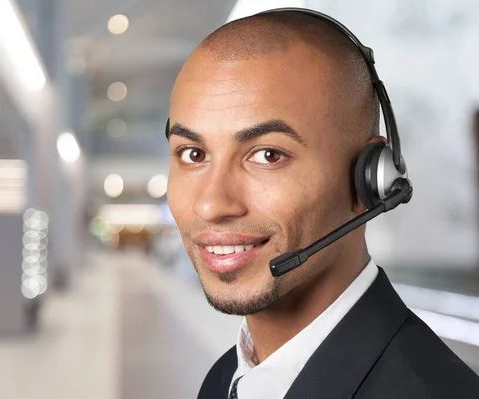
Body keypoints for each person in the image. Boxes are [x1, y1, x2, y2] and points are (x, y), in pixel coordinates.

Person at [165, 8, 479, 399]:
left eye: (267, 155)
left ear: (370, 181)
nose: (212, 205)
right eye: (193, 154)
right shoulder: (226, 378)